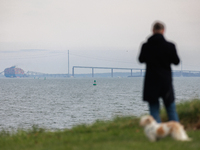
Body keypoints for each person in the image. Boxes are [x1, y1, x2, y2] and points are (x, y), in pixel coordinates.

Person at [138, 21, 180, 123]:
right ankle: (176, 133)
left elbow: (141, 59)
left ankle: (157, 133)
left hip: (151, 81)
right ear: (163, 31)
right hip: (165, 81)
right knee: (170, 108)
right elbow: (176, 61)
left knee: (154, 110)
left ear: (152, 31)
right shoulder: (170, 46)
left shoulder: (146, 46)